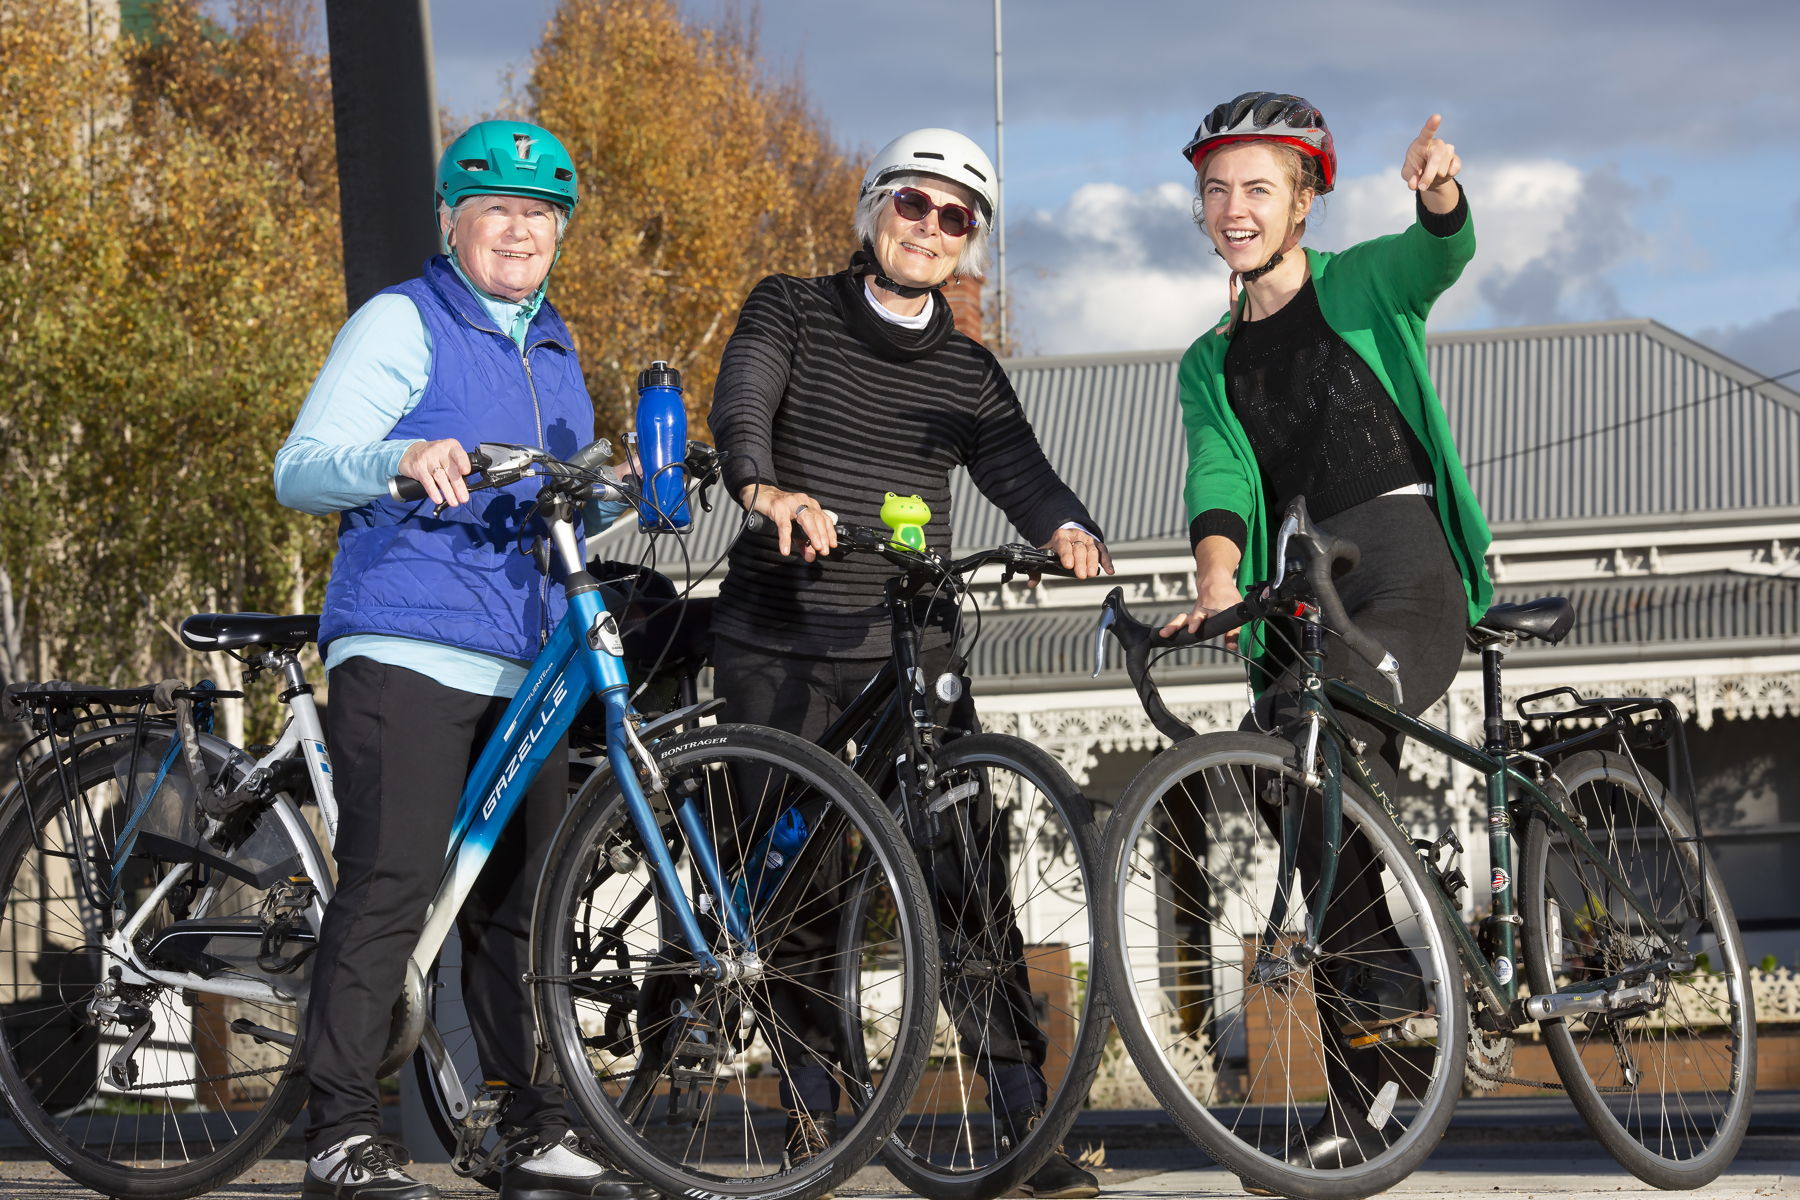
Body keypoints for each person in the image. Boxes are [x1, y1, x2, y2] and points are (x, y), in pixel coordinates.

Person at [707, 127, 1112, 1200]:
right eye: (913, 206)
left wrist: (1067, 528)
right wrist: (765, 490)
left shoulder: (968, 371)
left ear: (972, 244)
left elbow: (1025, 473)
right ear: (873, 209)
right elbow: (743, 401)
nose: (931, 229)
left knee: (967, 878)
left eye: (956, 217)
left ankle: (1025, 1128)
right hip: (780, 642)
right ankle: (815, 1124)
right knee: (800, 891)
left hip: (912, 648)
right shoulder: (791, 307)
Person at [274, 120, 645, 1200]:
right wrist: (403, 456)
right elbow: (301, 469)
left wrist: (619, 491)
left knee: (521, 904)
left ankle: (532, 1133)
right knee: (391, 885)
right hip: (407, 640)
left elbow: (550, 505)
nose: (520, 230)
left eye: (540, 213)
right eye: (498, 210)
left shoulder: (555, 346)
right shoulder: (406, 319)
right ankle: (343, 1134)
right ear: (453, 221)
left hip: (524, 665)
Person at [1164, 92, 1493, 1178]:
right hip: (1311, 584)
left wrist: (1439, 192)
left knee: (1329, 737)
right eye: (1217, 188)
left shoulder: (1358, 281)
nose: (1233, 206)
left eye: (1258, 186)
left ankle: (1412, 973)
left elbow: (1435, 258)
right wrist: (1217, 578)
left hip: (1405, 568)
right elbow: (1219, 476)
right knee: (1288, 776)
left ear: (1305, 198)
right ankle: (1368, 1066)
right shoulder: (1207, 362)